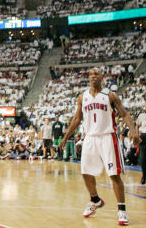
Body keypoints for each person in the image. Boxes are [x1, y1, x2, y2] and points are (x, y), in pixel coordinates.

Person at [59, 68, 140, 226]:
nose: (93, 76)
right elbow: (76, 119)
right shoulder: (83, 97)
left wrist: (132, 130)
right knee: (85, 172)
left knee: (114, 175)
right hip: (90, 137)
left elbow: (124, 114)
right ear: (88, 78)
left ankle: (122, 211)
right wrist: (65, 138)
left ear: (102, 77)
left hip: (107, 137)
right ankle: (95, 200)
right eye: (90, 74)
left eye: (96, 74)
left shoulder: (110, 95)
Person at [137, 107, 146, 184]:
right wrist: (137, 136)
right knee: (143, 159)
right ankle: (144, 176)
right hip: (143, 137)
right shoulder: (141, 115)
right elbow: (137, 126)